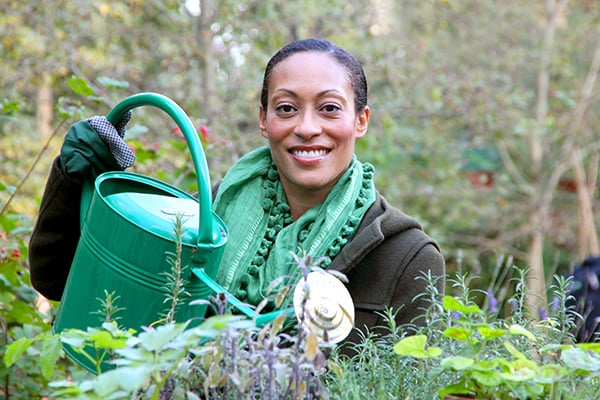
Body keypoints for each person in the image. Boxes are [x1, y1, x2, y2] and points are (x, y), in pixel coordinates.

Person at [29, 38, 445, 346]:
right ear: (263, 120)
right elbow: (62, 283)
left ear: (361, 120)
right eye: (286, 108)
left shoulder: (406, 256)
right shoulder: (207, 217)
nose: (306, 127)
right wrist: (74, 181)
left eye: (329, 108)